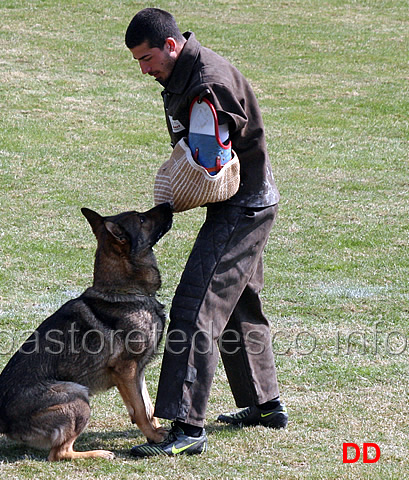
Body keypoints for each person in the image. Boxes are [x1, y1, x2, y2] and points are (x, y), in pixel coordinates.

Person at [124, 8, 287, 457]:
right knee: (237, 302)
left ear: (171, 45)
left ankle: (186, 427)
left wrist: (171, 196)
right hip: (246, 200)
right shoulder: (187, 71)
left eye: (147, 58)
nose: (143, 69)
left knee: (196, 308)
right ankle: (265, 403)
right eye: (137, 61)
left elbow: (211, 166)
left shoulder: (206, 86)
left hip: (242, 206)